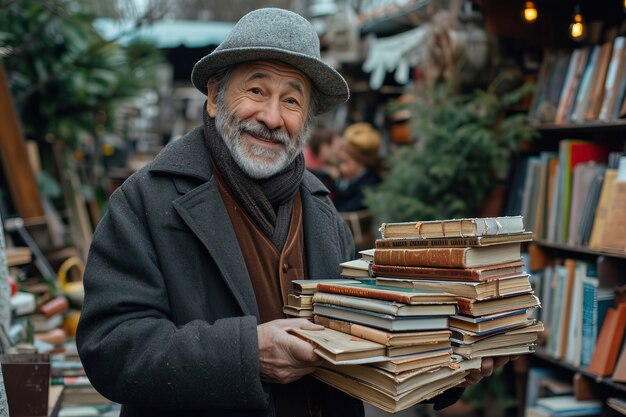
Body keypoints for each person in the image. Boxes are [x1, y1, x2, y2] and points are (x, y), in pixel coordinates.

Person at [76, 7, 513, 417]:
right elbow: (111, 347)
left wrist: (444, 363)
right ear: (214, 97)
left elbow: (356, 341)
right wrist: (247, 355)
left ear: (306, 118)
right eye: (256, 90)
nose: (271, 117)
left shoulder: (322, 211)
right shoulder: (146, 202)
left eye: (291, 100)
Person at [333, 122, 382, 212]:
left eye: (345, 162)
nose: (341, 168)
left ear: (360, 162)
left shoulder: (368, 186)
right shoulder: (345, 181)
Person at [303, 127, 340, 196]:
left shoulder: (325, 166)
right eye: (337, 148)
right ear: (324, 147)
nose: (339, 154)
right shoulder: (304, 164)